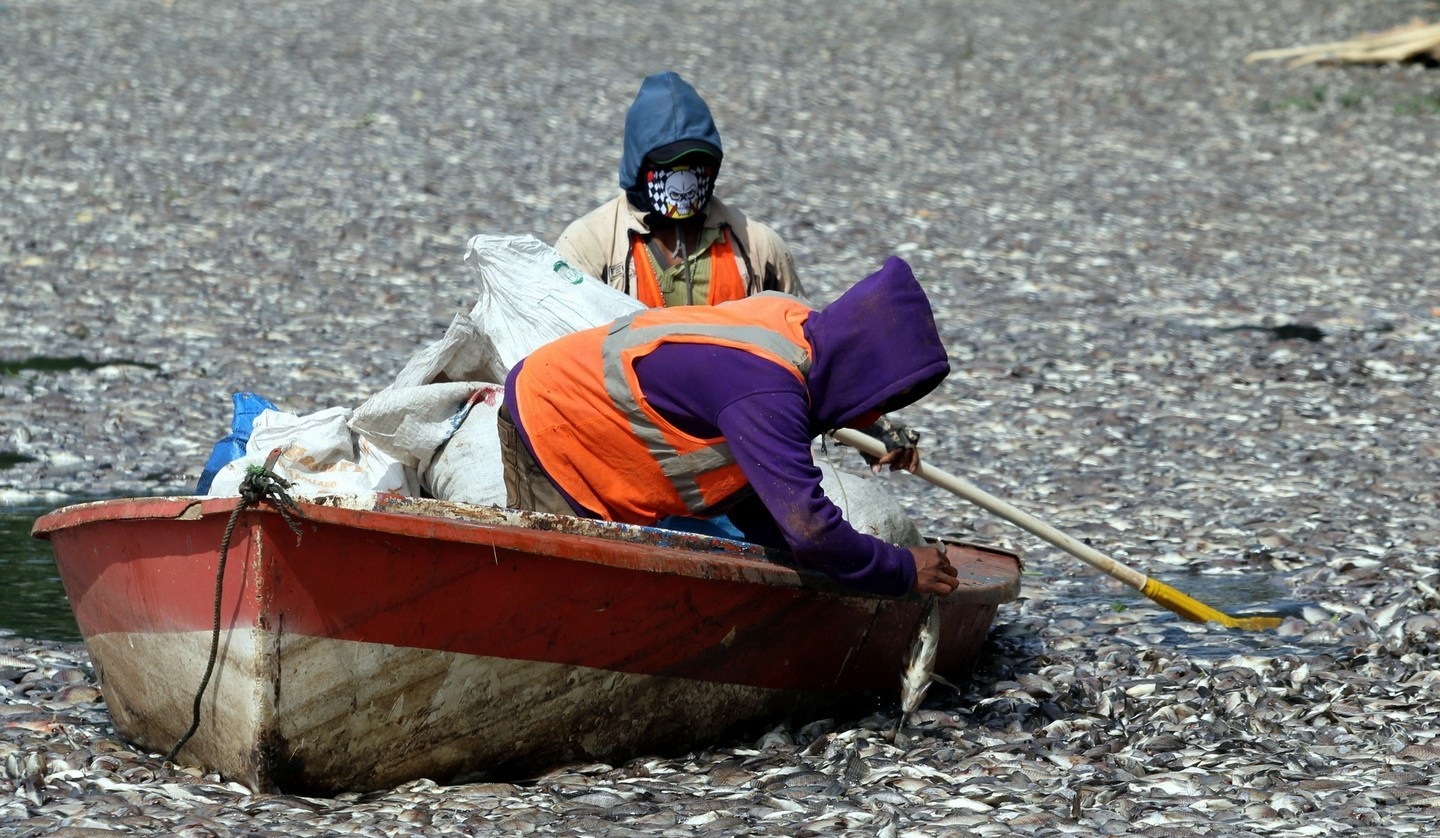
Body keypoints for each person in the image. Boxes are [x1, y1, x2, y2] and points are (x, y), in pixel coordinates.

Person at [497, 256, 959, 598]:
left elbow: (760, 498)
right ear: (861, 371)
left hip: (600, 422)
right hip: (553, 415)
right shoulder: (768, 390)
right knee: (560, 591)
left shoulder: (798, 328)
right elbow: (811, 530)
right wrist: (899, 568)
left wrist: (817, 567)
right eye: (883, 399)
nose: (873, 416)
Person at [553, 71, 803, 308]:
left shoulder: (759, 249)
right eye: (667, 164)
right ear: (637, 166)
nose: (685, 181)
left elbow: (801, 336)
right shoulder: (587, 247)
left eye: (696, 163)